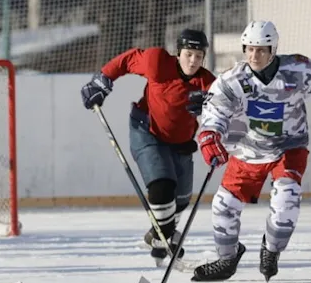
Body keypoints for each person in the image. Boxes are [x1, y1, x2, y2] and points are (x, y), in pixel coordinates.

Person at [192, 20, 311, 282]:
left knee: (286, 202)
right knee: (223, 206)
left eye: (261, 50)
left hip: (288, 147)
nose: (254, 56)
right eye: (249, 49)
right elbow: (216, 109)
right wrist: (210, 135)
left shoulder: (297, 70)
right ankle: (227, 260)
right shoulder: (233, 79)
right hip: (248, 149)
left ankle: (270, 250)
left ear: (273, 50)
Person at [81, 29, 216, 263]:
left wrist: (211, 111)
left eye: (198, 56)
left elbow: (225, 111)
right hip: (147, 131)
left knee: (181, 200)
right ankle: (165, 237)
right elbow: (127, 60)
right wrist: (102, 80)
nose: (193, 61)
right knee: (161, 187)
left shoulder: (208, 83)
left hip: (181, 142)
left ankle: (158, 236)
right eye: (188, 54)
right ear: (178, 53)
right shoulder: (158, 62)